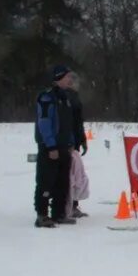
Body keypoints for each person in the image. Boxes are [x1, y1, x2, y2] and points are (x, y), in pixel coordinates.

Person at [34, 65, 79, 228]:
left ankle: (59, 213)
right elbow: (44, 123)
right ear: (59, 78)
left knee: (62, 182)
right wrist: (50, 146)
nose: (70, 80)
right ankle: (42, 214)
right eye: (67, 77)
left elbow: (68, 123)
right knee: (46, 181)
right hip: (50, 147)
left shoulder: (66, 98)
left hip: (64, 146)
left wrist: (71, 142)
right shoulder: (47, 98)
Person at [61, 70, 90, 220]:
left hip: (74, 141)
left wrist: (82, 139)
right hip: (69, 142)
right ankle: (68, 206)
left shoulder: (74, 98)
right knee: (71, 175)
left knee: (75, 174)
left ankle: (72, 204)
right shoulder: (68, 98)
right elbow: (71, 123)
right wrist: (73, 140)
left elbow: (79, 122)